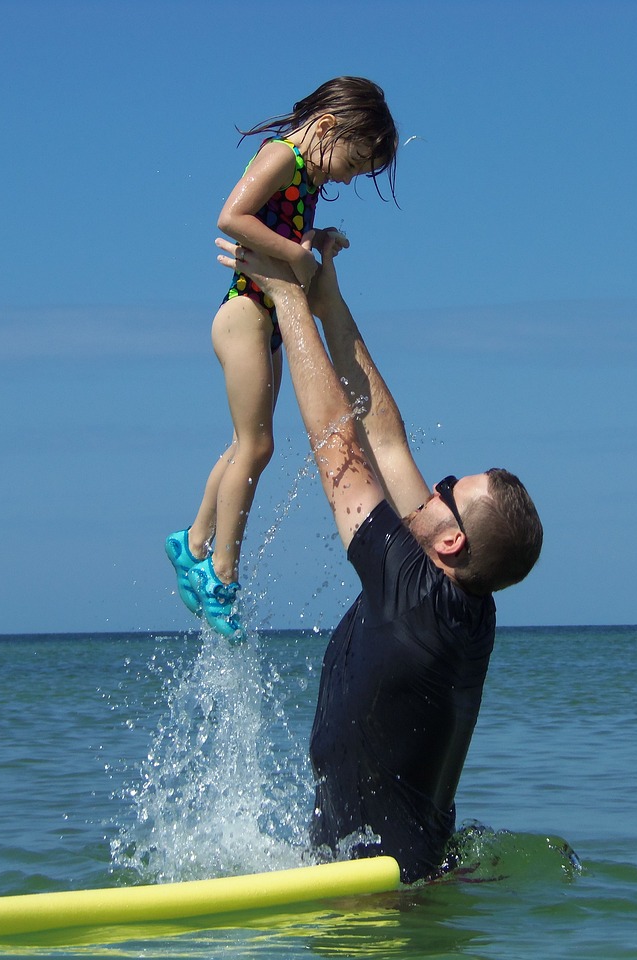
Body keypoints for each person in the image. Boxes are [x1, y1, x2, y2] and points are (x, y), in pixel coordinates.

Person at [215, 231, 544, 883]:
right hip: (413, 873)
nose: (436, 486)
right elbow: (384, 438)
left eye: (448, 490)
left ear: (451, 541)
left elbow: (336, 443)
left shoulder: (411, 598)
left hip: (376, 895)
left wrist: (284, 298)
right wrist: (328, 302)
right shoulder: (461, 597)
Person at [166, 78, 400, 640]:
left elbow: (279, 223)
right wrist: (297, 254)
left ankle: (193, 542)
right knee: (258, 444)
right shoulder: (282, 156)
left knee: (246, 442)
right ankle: (221, 573)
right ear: (328, 128)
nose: (349, 177)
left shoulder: (306, 176)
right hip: (245, 310)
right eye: (353, 162)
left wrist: (315, 239)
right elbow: (232, 217)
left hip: (266, 315)